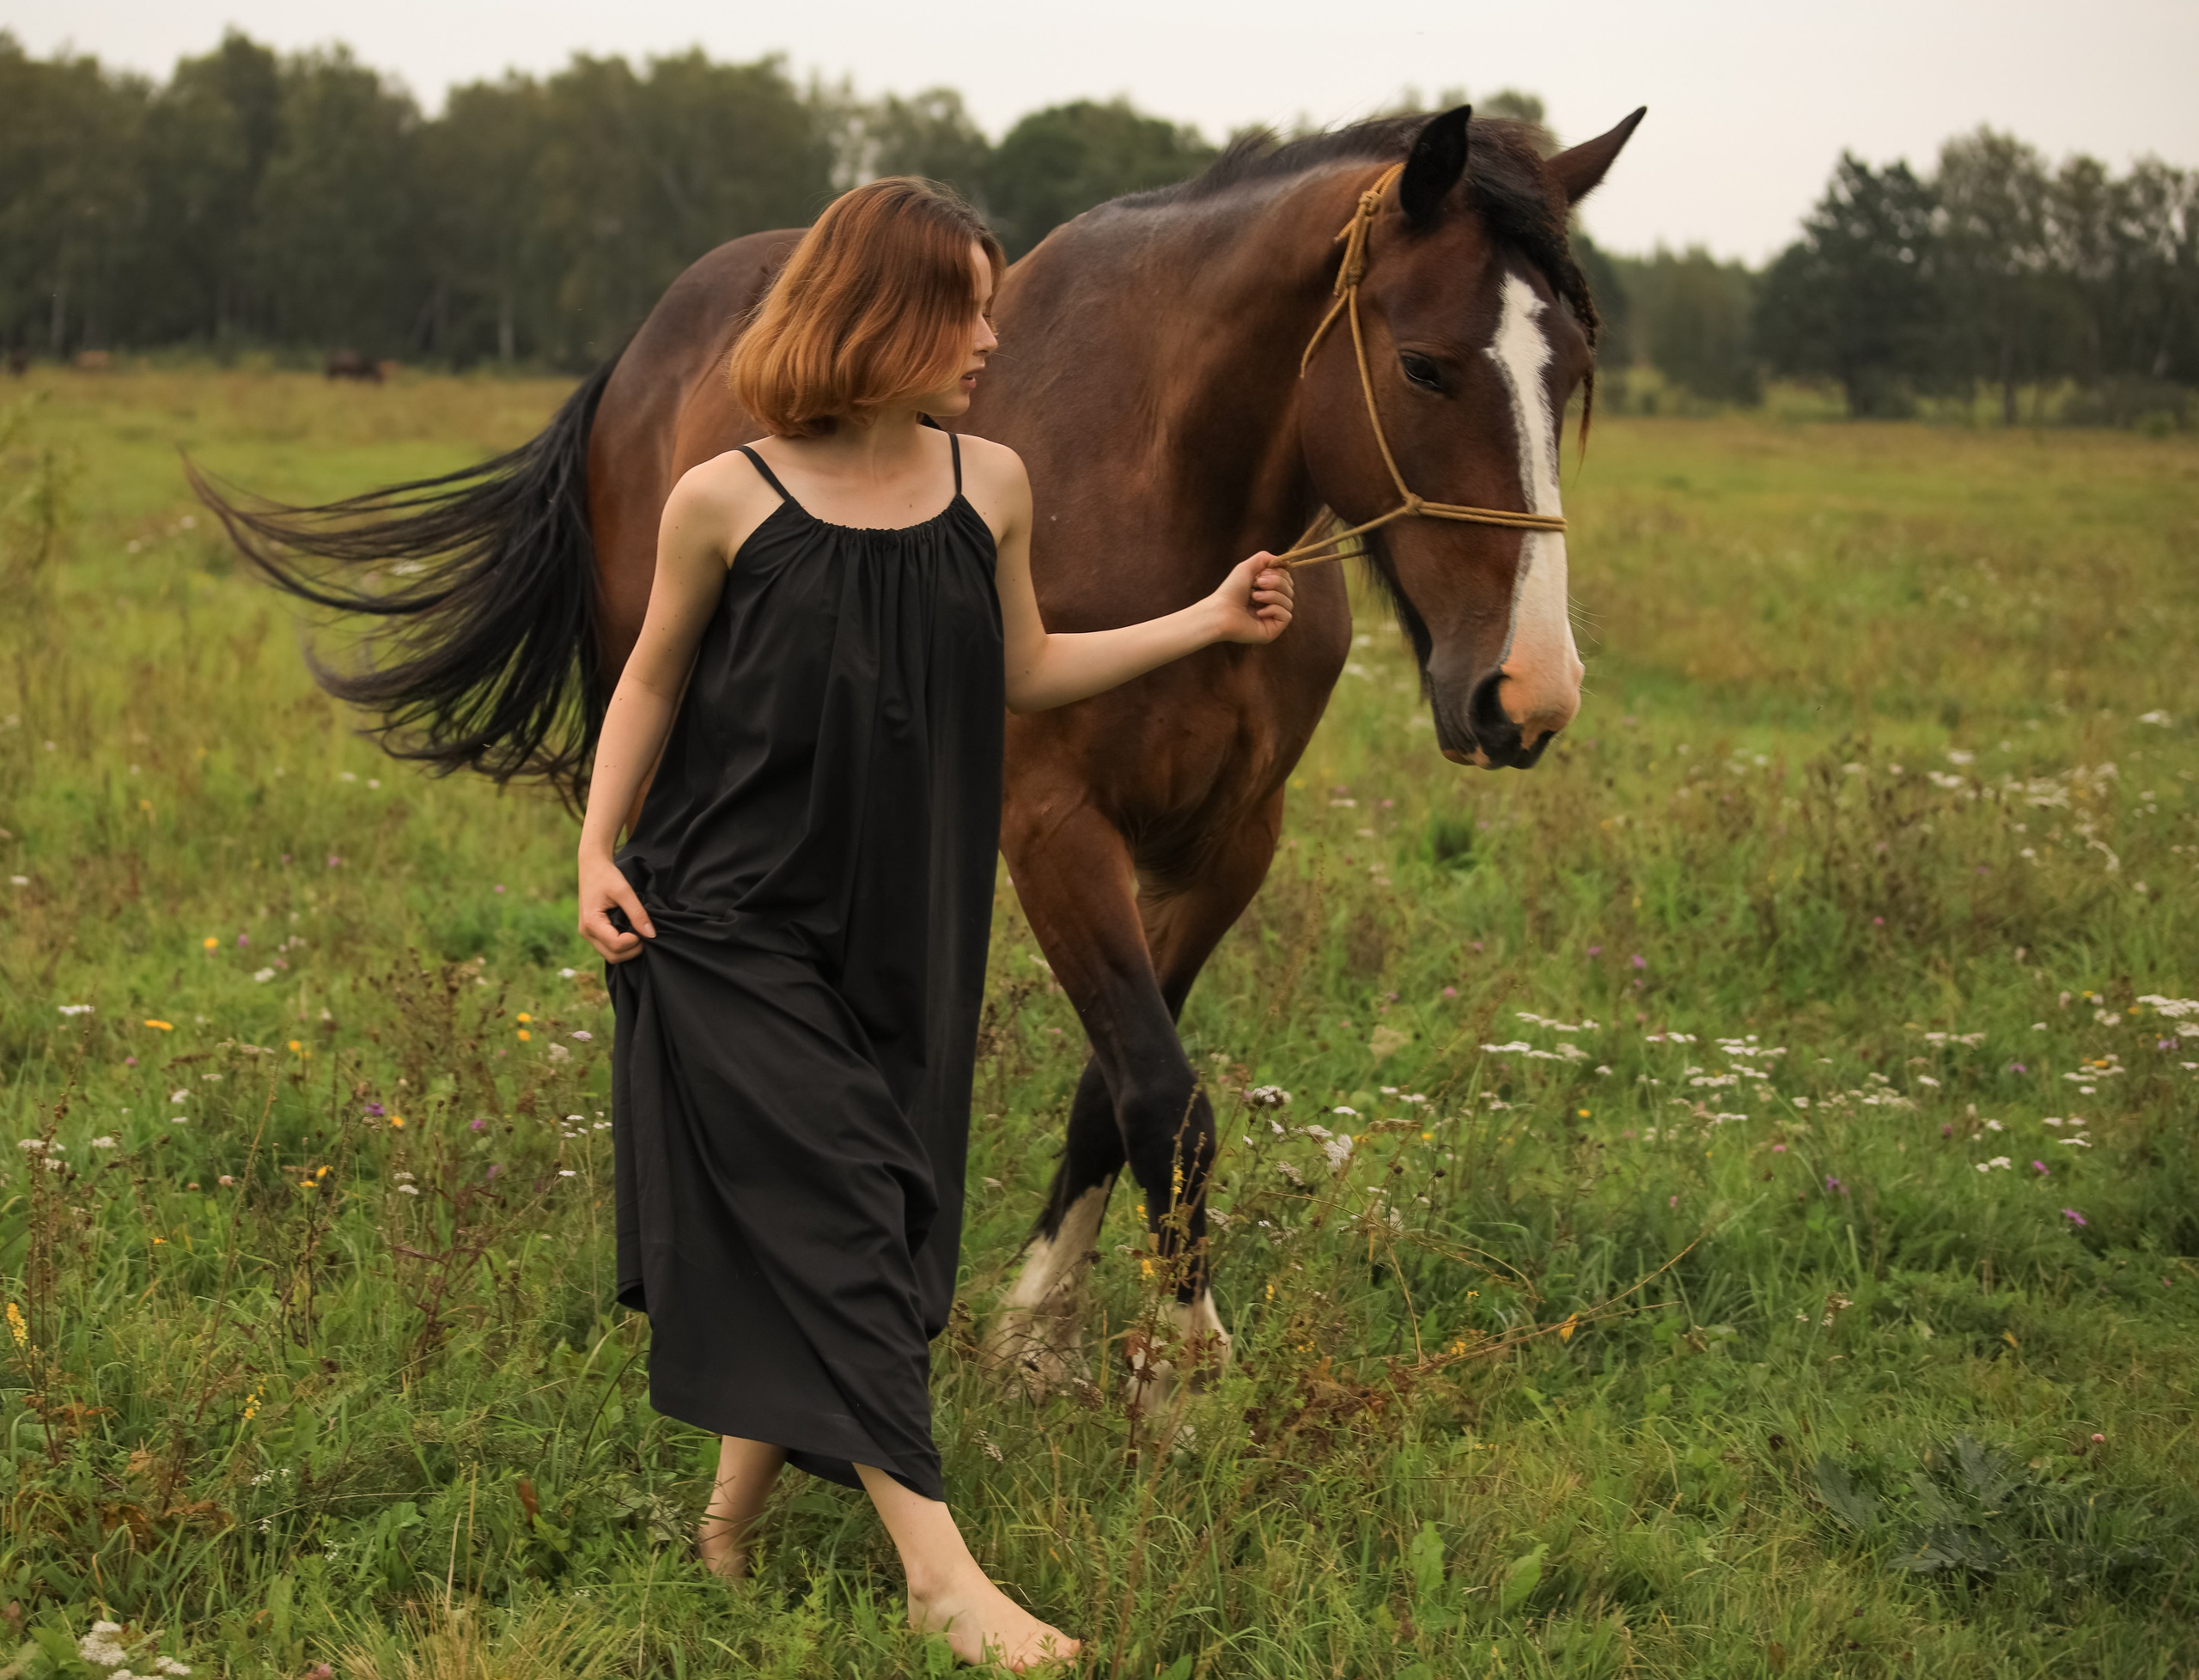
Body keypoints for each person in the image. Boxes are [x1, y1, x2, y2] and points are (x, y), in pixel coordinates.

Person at [575, 176, 1294, 1671]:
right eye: (963, 305)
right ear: (875, 313)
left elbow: (1026, 668)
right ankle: (940, 1572)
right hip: (728, 910)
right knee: (840, 1201)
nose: (989, 333)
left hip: (908, 919)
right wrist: (596, 851)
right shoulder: (728, 495)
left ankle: (723, 1529)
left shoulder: (994, 486)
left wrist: (1210, 618)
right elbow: (646, 684)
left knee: (889, 1222)